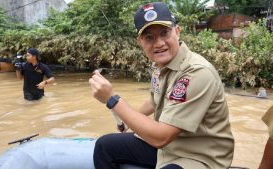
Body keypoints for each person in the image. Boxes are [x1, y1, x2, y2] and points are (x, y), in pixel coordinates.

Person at [89, 2, 234, 169]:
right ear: (140, 42)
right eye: (149, 37)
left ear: (177, 32)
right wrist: (128, 120)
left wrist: (112, 99)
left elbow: (161, 137)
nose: (158, 43)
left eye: (164, 33)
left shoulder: (197, 73)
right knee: (104, 147)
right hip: (170, 148)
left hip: (200, 156)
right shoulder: (160, 65)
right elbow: (154, 100)